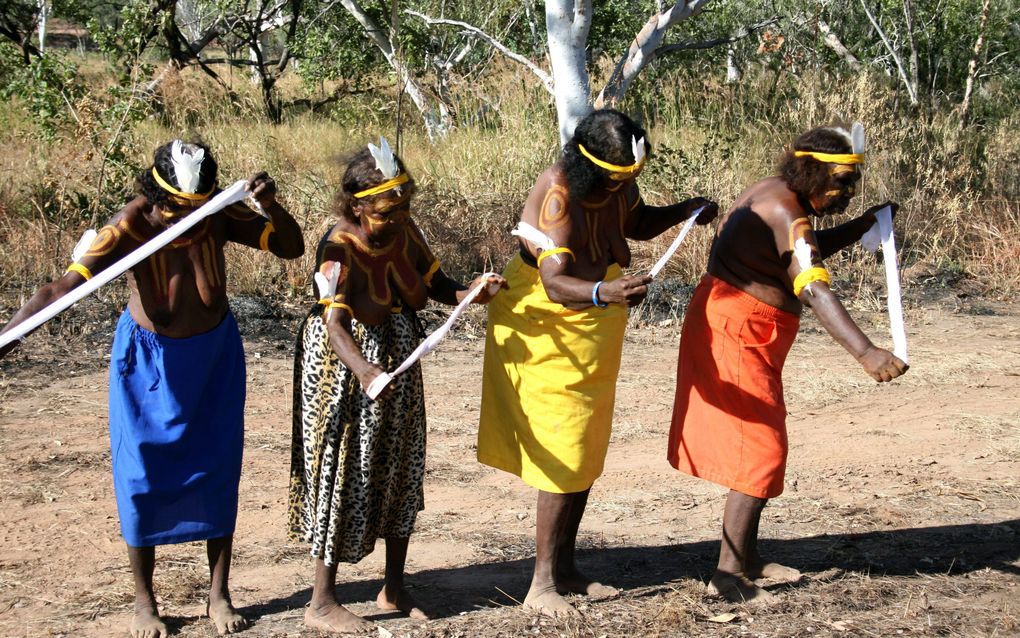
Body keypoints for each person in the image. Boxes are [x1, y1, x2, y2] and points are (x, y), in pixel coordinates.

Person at [0, 140, 304, 638]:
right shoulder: (130, 227)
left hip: (214, 359)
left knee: (218, 469)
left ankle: (218, 593)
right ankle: (145, 601)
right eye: (177, 210)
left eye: (197, 208)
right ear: (155, 195)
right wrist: (7, 339)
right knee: (140, 478)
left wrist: (267, 205)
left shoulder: (220, 216)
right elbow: (60, 290)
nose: (187, 218)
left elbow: (290, 247)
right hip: (148, 364)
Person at [476, 109, 718, 617]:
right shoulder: (558, 195)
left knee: (584, 445)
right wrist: (603, 291)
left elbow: (637, 222)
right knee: (563, 449)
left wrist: (684, 211)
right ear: (585, 164)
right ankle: (540, 585)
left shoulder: (616, 182)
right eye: (614, 179)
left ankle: (565, 568)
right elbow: (555, 283)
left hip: (596, 321)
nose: (623, 187)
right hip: (546, 327)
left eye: (629, 178)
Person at [667, 124, 909, 604]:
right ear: (811, 170)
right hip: (736, 330)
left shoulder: (778, 197)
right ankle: (728, 574)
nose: (847, 192)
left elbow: (796, 252)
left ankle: (749, 558)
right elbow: (814, 286)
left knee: (759, 443)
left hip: (743, 327)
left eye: (852, 183)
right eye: (841, 182)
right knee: (760, 449)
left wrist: (859, 226)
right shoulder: (785, 211)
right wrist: (866, 352)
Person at [288, 139, 506, 634]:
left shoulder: (405, 232)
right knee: (342, 469)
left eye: (406, 207)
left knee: (402, 463)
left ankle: (394, 586)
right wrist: (365, 372)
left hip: (400, 354)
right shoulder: (338, 246)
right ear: (356, 205)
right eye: (388, 211)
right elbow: (335, 325)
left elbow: (439, 285)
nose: (400, 218)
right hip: (343, 367)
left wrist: (475, 292)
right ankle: (322, 599)